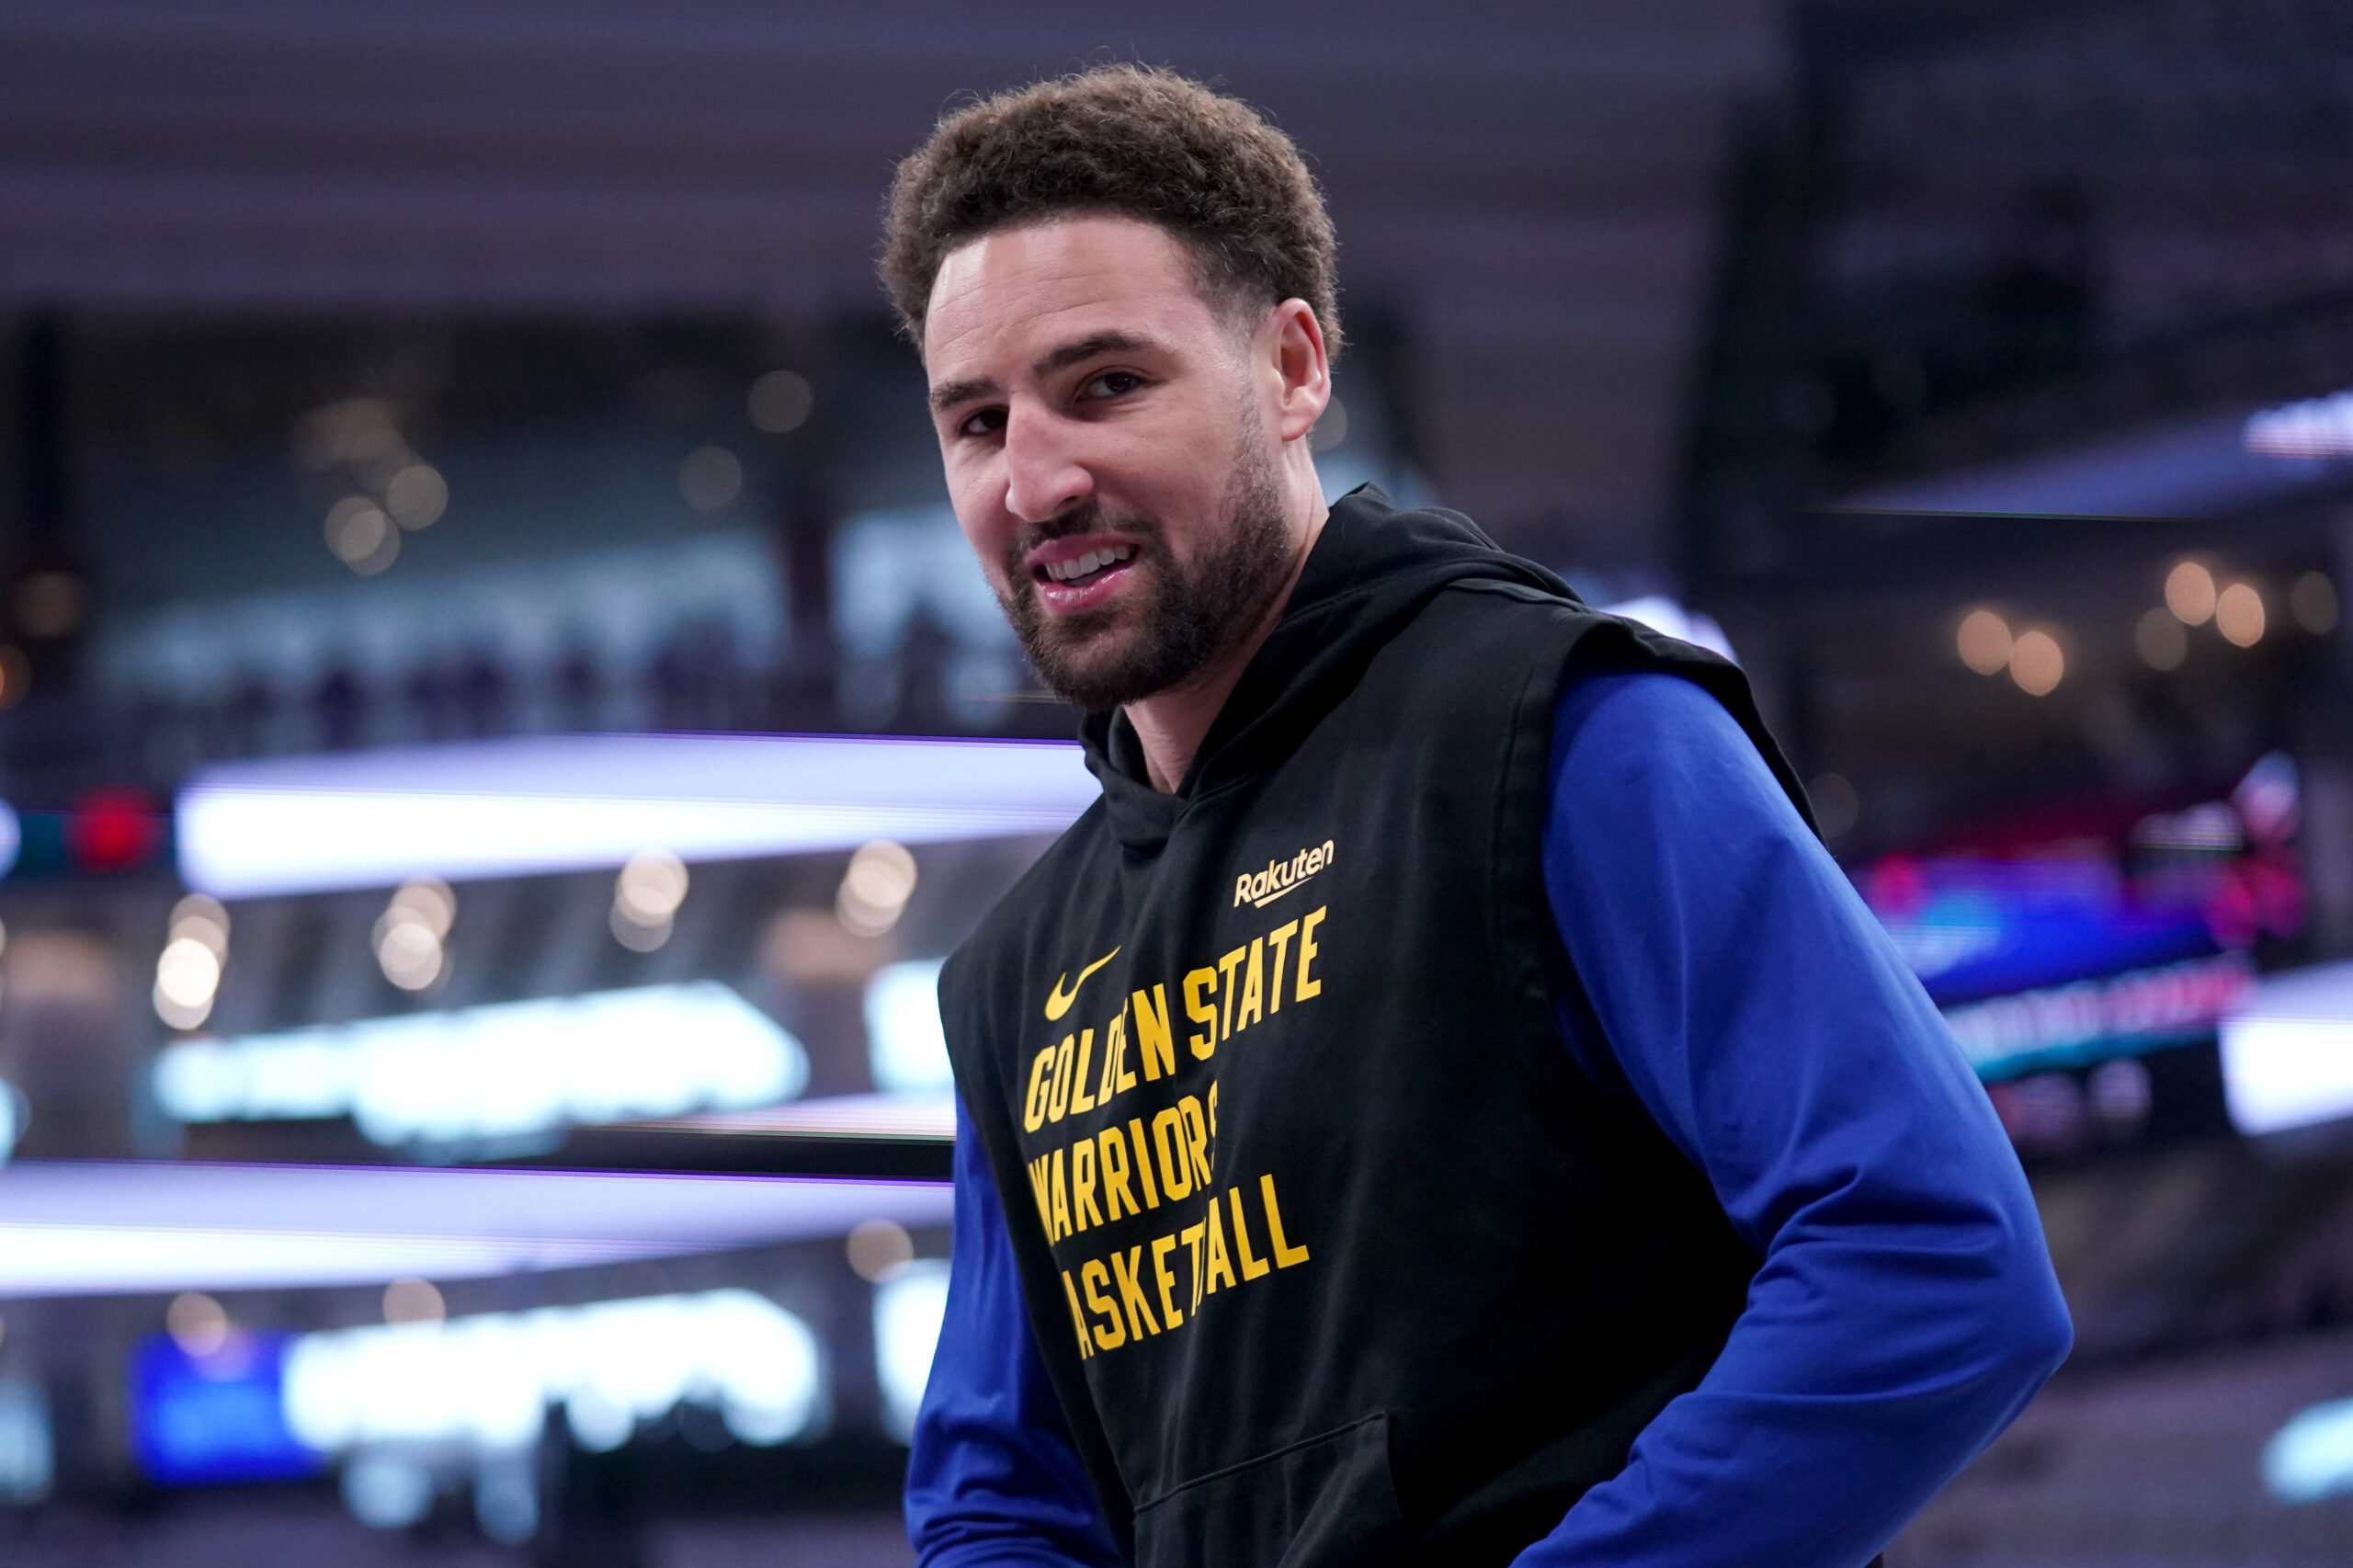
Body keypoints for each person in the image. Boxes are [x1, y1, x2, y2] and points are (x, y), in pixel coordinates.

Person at [880, 65, 2071, 1568]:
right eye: (977, 422)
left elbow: (1933, 1263)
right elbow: (1000, 1499)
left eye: (1106, 384)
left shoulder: (1571, 732)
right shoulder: (1014, 978)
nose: (1037, 477)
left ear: (1294, 367)